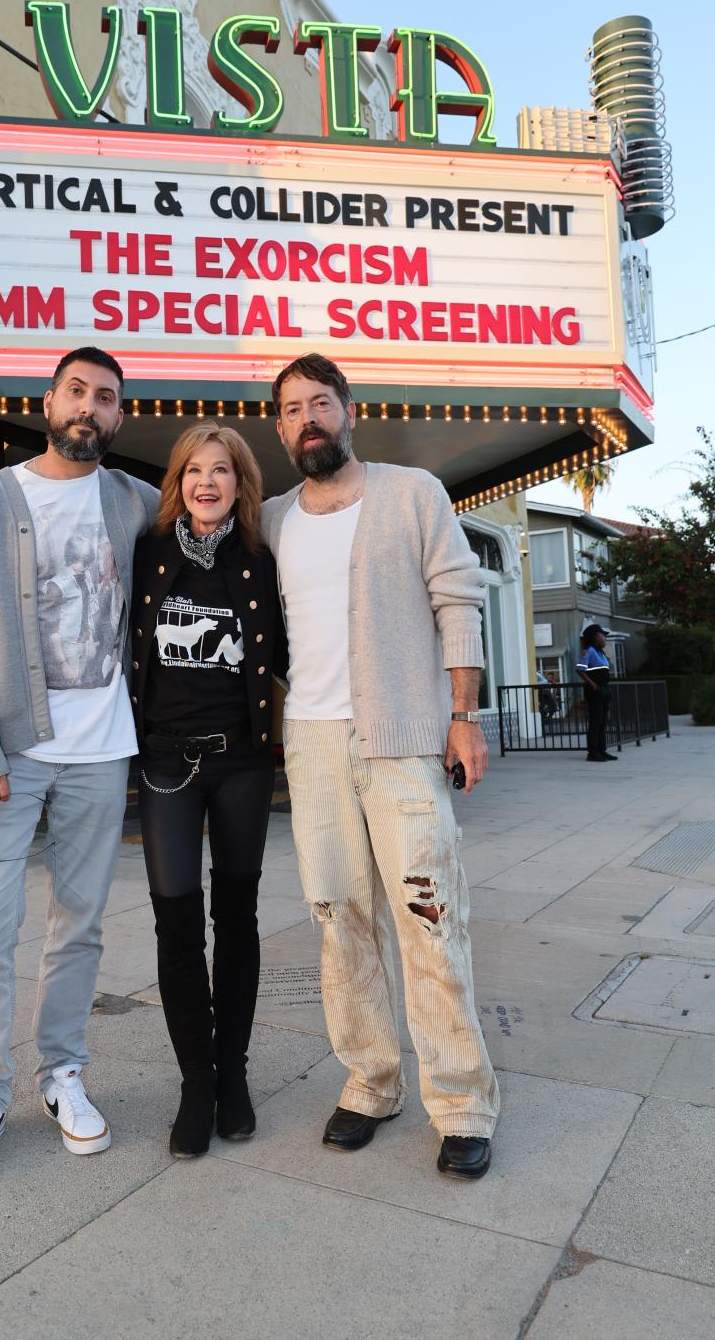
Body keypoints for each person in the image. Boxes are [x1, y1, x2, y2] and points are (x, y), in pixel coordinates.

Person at [0, 346, 159, 1183]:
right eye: (77, 392)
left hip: (102, 753)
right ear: (48, 402)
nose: (89, 407)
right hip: (10, 758)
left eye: (107, 398)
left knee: (79, 923)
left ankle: (62, 1074)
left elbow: (219, 519)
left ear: (120, 417)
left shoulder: (137, 503)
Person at [262, 353, 499, 1180]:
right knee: (339, 922)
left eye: (319, 403)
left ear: (349, 410)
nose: (307, 420)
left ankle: (463, 1102)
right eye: (292, 409)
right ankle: (370, 1081)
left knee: (430, 921)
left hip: (401, 739)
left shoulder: (411, 493)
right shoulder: (273, 517)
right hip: (312, 746)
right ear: (282, 426)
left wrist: (463, 715)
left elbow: (457, 599)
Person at [130, 422, 286, 1159]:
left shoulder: (258, 557)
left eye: (221, 470)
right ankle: (196, 1082)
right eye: (194, 469)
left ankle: (234, 1077)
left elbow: (294, 647)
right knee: (175, 920)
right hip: (166, 762)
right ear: (177, 481)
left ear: (239, 482)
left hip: (242, 764)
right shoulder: (149, 552)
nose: (207, 482)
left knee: (238, 916)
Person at [576, 623, 617, 761]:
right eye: (602, 635)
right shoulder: (589, 651)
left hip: (604, 689)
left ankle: (602, 750)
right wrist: (593, 685)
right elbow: (580, 669)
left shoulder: (600, 652)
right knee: (596, 721)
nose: (605, 638)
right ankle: (592, 753)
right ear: (595, 636)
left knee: (603, 721)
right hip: (595, 691)